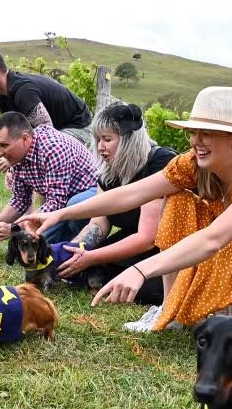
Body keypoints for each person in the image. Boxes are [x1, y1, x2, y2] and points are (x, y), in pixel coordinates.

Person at [17, 86, 232, 334]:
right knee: (178, 201)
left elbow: (213, 239)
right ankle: (171, 307)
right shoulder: (195, 164)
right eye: (193, 132)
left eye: (207, 133)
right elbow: (132, 194)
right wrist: (60, 214)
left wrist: (140, 270)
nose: (196, 140)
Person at [54, 102, 176, 306]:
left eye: (107, 139)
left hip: (165, 246)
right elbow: (99, 223)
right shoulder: (109, 172)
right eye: (98, 140)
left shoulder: (158, 163)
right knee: (88, 270)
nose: (100, 147)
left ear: (129, 140)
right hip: (133, 240)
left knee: (136, 289)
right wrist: (74, 250)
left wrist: (92, 257)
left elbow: (147, 238)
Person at [0, 111, 98, 244]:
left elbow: (56, 203)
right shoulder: (18, 156)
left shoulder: (53, 149)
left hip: (92, 196)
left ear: (25, 138)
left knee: (72, 205)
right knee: (32, 246)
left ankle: (83, 245)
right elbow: (20, 200)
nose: (0, 153)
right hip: (63, 206)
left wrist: (14, 228)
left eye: (4, 145)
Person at [0, 48, 92, 147]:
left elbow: (47, 134)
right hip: (59, 129)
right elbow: (14, 133)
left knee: (48, 150)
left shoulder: (23, 91)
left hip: (79, 127)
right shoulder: (3, 96)